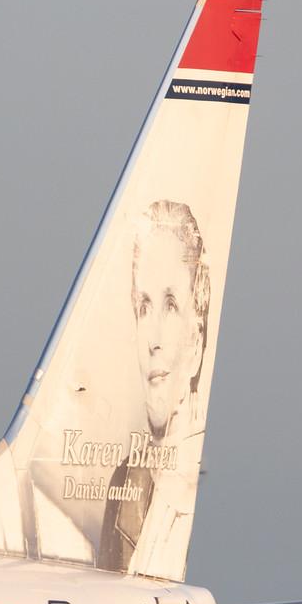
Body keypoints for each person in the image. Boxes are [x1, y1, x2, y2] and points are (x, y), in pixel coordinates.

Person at [97, 200, 211, 574]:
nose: (154, 339)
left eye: (171, 304)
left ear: (196, 338)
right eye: (144, 307)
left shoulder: (192, 494)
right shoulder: (126, 483)